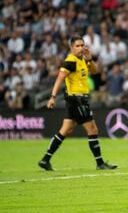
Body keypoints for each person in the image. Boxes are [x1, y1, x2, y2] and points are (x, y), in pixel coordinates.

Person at [38, 36, 117, 171]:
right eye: (77, 46)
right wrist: (52, 97)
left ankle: (45, 160)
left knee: (66, 130)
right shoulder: (70, 61)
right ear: (71, 48)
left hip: (79, 99)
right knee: (93, 129)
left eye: (82, 45)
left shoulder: (83, 60)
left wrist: (90, 58)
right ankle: (100, 163)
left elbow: (94, 71)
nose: (80, 48)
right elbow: (59, 79)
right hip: (76, 100)